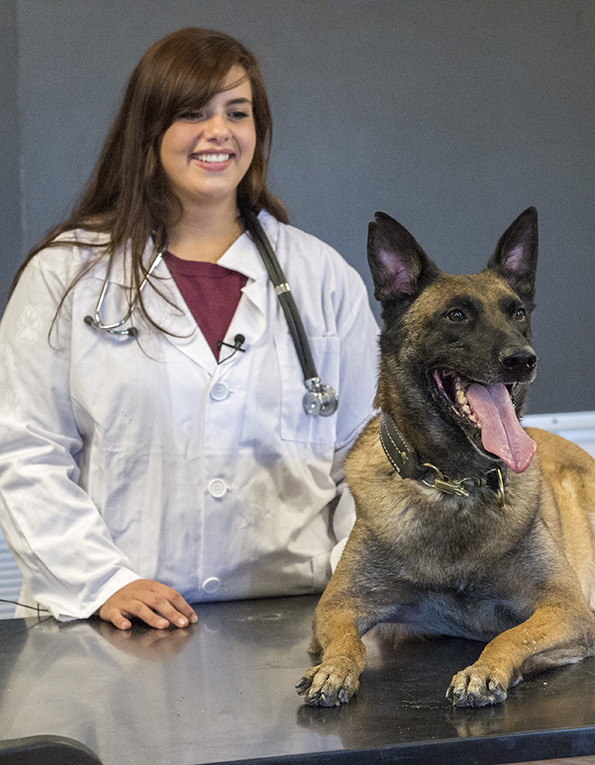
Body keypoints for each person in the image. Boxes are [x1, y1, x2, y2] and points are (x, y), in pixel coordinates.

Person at [0, 28, 379, 630]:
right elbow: (25, 450)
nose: (219, 132)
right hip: (116, 625)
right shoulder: (66, 276)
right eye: (191, 113)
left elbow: (367, 459)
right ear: (148, 130)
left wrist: (357, 588)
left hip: (296, 624)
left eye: (237, 112)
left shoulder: (323, 278)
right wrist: (103, 582)